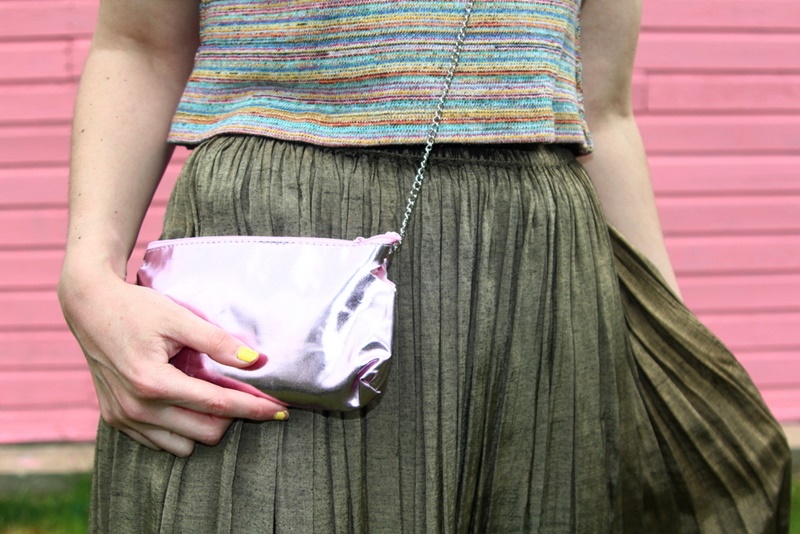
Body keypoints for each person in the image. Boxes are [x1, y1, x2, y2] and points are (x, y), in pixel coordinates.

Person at [58, 0, 791, 532]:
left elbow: (598, 111)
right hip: (278, 286)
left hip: (539, 285)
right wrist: (88, 274)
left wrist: (663, 336)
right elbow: (140, 45)